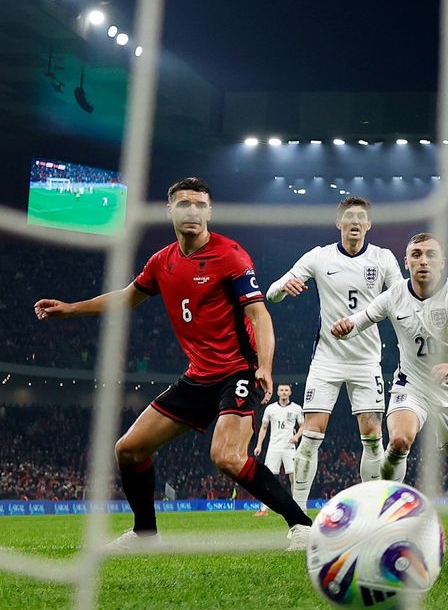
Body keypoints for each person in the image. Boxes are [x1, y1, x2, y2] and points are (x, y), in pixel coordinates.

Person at [33, 177, 312, 550]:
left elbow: (260, 316)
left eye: (199, 205)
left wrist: (264, 366)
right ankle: (144, 535)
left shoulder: (230, 255)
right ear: (170, 211)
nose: (192, 211)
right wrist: (71, 309)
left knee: (226, 456)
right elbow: (127, 297)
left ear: (209, 211)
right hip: (198, 377)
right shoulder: (161, 262)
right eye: (184, 204)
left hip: (237, 371)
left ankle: (301, 525)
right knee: (128, 450)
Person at [331, 233, 448, 537]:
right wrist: (347, 326)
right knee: (398, 441)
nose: (423, 260)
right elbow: (363, 318)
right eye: (416, 254)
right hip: (413, 385)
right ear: (405, 262)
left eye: (431, 254)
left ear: (442, 261)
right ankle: (383, 509)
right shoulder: (395, 294)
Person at [265, 197, 403, 511]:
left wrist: (361, 321)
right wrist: (286, 286)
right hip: (326, 361)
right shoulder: (319, 256)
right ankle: (298, 520)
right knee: (311, 437)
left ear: (368, 224)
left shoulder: (383, 259)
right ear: (338, 223)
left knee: (372, 437)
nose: (355, 221)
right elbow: (271, 293)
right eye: (349, 217)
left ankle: (373, 512)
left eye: (361, 217)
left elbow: (401, 301)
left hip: (367, 361)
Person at [252, 383, 303, 516]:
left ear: (290, 392)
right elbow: (263, 427)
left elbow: (303, 426)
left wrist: (297, 436)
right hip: (274, 447)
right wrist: (259, 445)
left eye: (286, 390)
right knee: (268, 478)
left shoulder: (297, 409)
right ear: (278, 392)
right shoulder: (270, 409)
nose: (284, 392)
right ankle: (264, 509)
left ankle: (297, 507)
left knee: (293, 477)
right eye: (282, 390)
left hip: (289, 447)